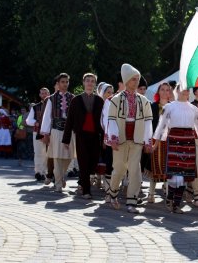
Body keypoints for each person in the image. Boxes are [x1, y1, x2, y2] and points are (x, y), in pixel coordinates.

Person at [153, 85, 198, 214]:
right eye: (182, 88)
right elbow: (161, 125)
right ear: (177, 91)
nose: (185, 91)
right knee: (175, 175)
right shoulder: (168, 107)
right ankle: (170, 199)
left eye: (187, 89)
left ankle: (175, 204)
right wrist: (156, 142)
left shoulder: (194, 108)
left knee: (184, 175)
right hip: (174, 141)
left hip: (189, 142)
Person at [105, 64, 153, 214]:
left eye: (137, 79)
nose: (136, 82)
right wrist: (112, 137)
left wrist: (148, 140)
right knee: (118, 169)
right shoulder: (115, 100)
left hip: (137, 139)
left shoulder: (144, 100)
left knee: (135, 171)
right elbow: (111, 120)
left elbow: (148, 121)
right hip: (120, 139)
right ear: (126, 81)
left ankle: (132, 201)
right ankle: (112, 193)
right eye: (133, 79)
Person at [62, 73, 104, 199]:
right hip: (81, 135)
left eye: (92, 81)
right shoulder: (76, 100)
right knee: (83, 162)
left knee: (93, 162)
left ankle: (83, 180)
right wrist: (66, 139)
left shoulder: (99, 101)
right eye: (88, 81)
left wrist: (106, 138)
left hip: (96, 135)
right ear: (83, 83)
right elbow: (69, 120)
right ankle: (86, 190)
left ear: (95, 84)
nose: (90, 83)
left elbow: (104, 120)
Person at [40, 73, 75, 192]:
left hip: (70, 131)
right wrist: (45, 133)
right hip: (55, 130)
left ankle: (59, 176)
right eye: (62, 82)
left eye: (66, 82)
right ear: (58, 84)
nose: (65, 84)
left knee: (69, 157)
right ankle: (59, 183)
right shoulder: (51, 99)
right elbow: (47, 117)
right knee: (57, 157)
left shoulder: (73, 98)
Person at [146, 82, 171, 203]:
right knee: (154, 167)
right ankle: (151, 194)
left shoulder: (173, 106)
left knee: (168, 166)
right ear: (158, 91)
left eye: (167, 90)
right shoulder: (153, 106)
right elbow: (149, 124)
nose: (165, 92)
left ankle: (167, 192)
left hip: (169, 140)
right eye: (162, 89)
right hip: (155, 139)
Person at [26, 87, 50, 181]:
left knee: (48, 153)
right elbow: (28, 120)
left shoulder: (52, 106)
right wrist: (35, 122)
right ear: (40, 95)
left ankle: (46, 172)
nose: (44, 95)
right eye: (42, 93)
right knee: (38, 153)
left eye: (46, 93)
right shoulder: (35, 107)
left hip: (49, 132)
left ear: (49, 94)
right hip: (38, 132)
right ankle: (38, 172)